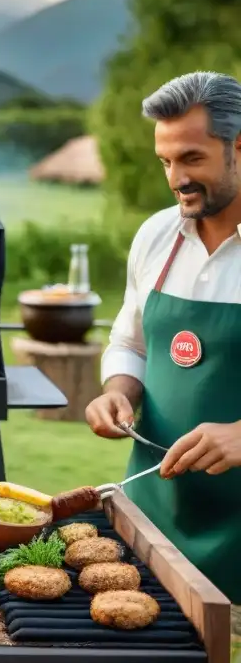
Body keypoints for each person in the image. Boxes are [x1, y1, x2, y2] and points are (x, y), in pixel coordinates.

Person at [84, 71, 241, 605]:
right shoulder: (156, 235)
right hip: (153, 520)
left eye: (192, 159)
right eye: (166, 161)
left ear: (239, 146)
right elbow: (131, 342)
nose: (176, 179)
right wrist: (119, 391)